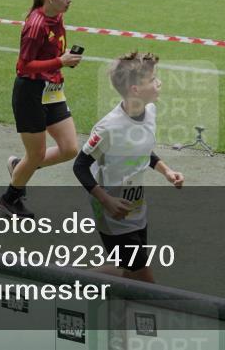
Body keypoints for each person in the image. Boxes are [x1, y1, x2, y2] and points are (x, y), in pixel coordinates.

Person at [72, 52, 183, 282]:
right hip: (113, 215)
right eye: (152, 79)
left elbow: (143, 150)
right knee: (145, 280)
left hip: (136, 208)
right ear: (135, 90)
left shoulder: (149, 111)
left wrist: (167, 171)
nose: (158, 83)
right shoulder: (109, 129)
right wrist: (107, 201)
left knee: (129, 271)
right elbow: (80, 166)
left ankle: (71, 278)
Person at [0, 0, 82, 219]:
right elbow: (23, 66)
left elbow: (51, 48)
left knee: (69, 149)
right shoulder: (36, 25)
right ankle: (9, 199)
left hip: (52, 89)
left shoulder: (57, 16)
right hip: (30, 93)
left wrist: (63, 58)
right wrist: (60, 61)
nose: (70, 1)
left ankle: (19, 168)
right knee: (36, 154)